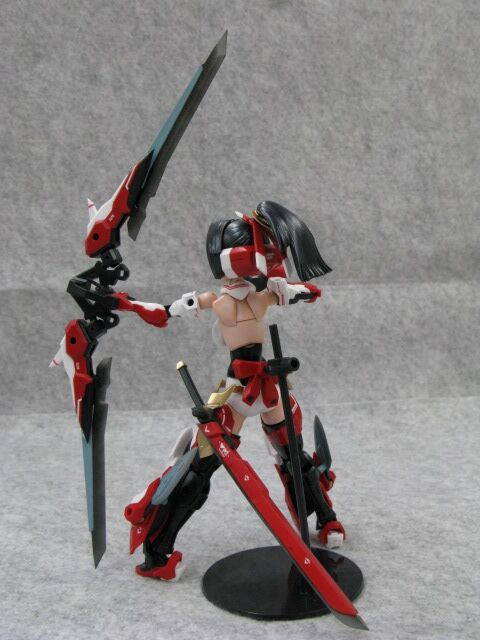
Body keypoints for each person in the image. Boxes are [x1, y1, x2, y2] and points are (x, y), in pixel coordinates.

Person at [119, 201, 346, 580]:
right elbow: (166, 310)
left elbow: (309, 292)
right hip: (235, 391)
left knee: (295, 456)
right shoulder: (218, 301)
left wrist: (289, 288)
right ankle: (157, 552)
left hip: (269, 384)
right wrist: (129, 305)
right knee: (200, 468)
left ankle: (325, 518)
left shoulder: (263, 296)